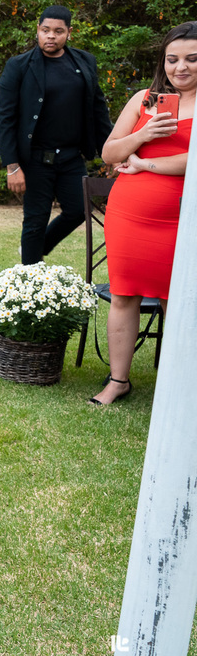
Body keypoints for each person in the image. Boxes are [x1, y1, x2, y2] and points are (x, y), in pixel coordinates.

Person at [88, 22, 196, 406]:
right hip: (128, 215)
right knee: (123, 295)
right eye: (172, 59)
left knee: (177, 300)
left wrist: (145, 164)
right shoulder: (144, 100)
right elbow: (109, 153)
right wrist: (144, 136)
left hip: (182, 219)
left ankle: (180, 386)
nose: (180, 67)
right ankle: (118, 381)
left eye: (192, 59)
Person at [0, 5, 114, 265]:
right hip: (35, 159)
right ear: (37, 30)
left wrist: (112, 152)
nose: (51, 36)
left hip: (71, 157)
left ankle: (35, 249)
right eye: (45, 30)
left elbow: (98, 110)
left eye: (58, 31)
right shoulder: (18, 66)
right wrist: (12, 166)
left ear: (69, 33)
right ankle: (29, 277)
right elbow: (5, 118)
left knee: (79, 210)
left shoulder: (85, 62)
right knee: (35, 221)